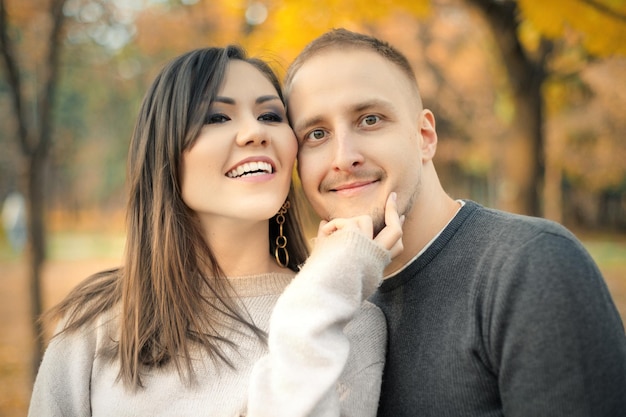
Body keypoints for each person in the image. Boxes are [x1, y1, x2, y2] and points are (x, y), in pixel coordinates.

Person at [28, 45, 403, 417]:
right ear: (166, 154)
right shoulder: (95, 320)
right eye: (218, 118)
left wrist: (322, 293)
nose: (255, 131)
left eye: (271, 115)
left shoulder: (346, 317)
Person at [284, 28, 626, 417]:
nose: (343, 157)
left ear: (425, 136)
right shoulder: (326, 304)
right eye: (316, 134)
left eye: (370, 119)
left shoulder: (530, 265)